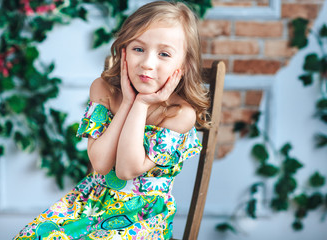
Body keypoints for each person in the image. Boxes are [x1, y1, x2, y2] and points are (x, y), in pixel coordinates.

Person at [13, 1, 210, 239]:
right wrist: (127, 102)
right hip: (91, 202)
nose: (147, 63)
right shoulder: (104, 89)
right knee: (33, 235)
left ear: (185, 65)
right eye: (138, 49)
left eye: (164, 54)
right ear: (123, 51)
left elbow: (127, 169)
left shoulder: (180, 113)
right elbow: (101, 164)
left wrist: (141, 104)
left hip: (142, 215)